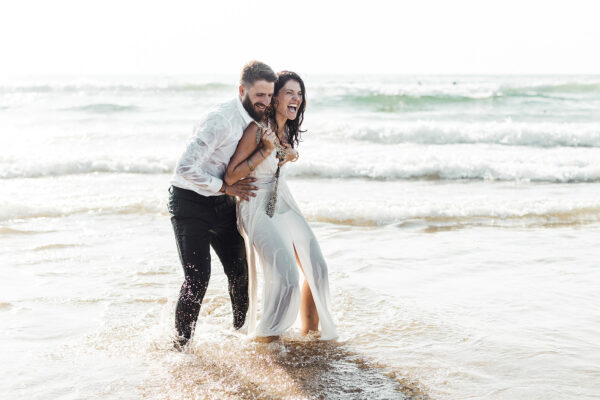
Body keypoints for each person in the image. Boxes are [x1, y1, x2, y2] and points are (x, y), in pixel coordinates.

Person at [168, 61, 277, 349]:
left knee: (240, 273)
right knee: (197, 279)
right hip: (190, 203)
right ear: (242, 90)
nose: (265, 102)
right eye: (259, 95)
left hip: (223, 204)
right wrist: (225, 186)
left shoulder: (254, 120)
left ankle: (240, 335)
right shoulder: (221, 120)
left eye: (269, 95)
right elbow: (184, 168)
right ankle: (181, 348)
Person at [225, 71, 337, 341]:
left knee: (318, 267)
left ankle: (311, 335)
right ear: (275, 99)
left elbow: (283, 155)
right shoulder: (257, 129)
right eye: (290, 93)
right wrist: (264, 152)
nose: (296, 98)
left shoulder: (286, 128)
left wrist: (290, 154)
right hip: (255, 203)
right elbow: (231, 175)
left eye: (300, 94)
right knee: (286, 273)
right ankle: (268, 340)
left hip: (282, 199)